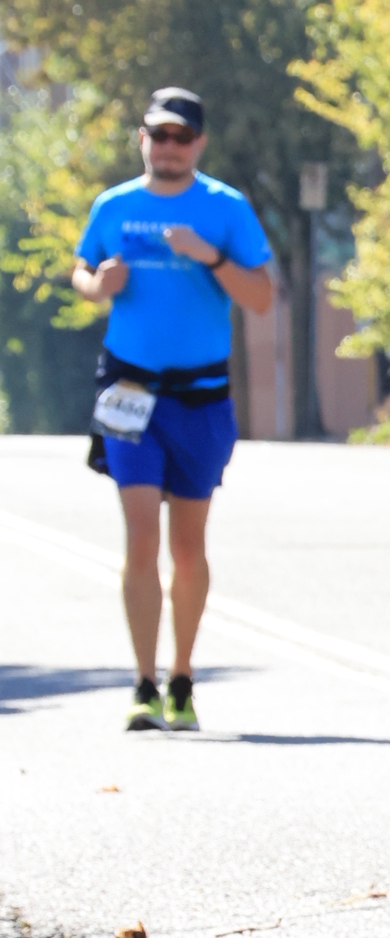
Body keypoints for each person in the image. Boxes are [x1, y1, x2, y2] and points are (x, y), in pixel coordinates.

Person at [71, 88, 275, 734]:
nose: (169, 147)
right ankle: (143, 683)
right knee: (139, 536)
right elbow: (82, 271)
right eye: (159, 135)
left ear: (199, 143)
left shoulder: (225, 207)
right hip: (130, 390)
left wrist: (208, 255)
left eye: (181, 137)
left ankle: (182, 677)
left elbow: (261, 297)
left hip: (200, 396)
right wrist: (96, 284)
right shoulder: (114, 205)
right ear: (143, 139)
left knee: (187, 547)